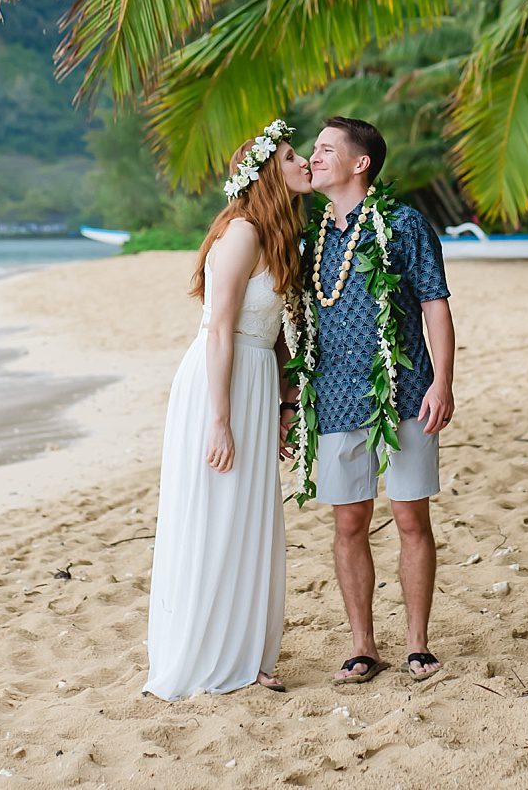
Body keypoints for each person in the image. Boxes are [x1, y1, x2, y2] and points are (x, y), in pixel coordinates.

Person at [143, 120, 313, 700]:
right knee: (217, 511)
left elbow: (277, 330)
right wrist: (219, 419)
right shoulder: (240, 233)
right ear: (268, 172)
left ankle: (245, 654)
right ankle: (209, 655)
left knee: (250, 516)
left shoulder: (278, 236)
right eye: (292, 156)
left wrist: (288, 401)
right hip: (224, 381)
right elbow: (218, 329)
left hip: (259, 378)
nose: (304, 163)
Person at [303, 116, 456, 685]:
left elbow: (435, 304)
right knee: (349, 523)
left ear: (360, 162)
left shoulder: (404, 223)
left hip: (407, 391)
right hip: (335, 397)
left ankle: (418, 644)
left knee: (411, 517)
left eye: (324, 149)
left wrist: (443, 381)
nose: (313, 157)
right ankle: (363, 646)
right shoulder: (311, 236)